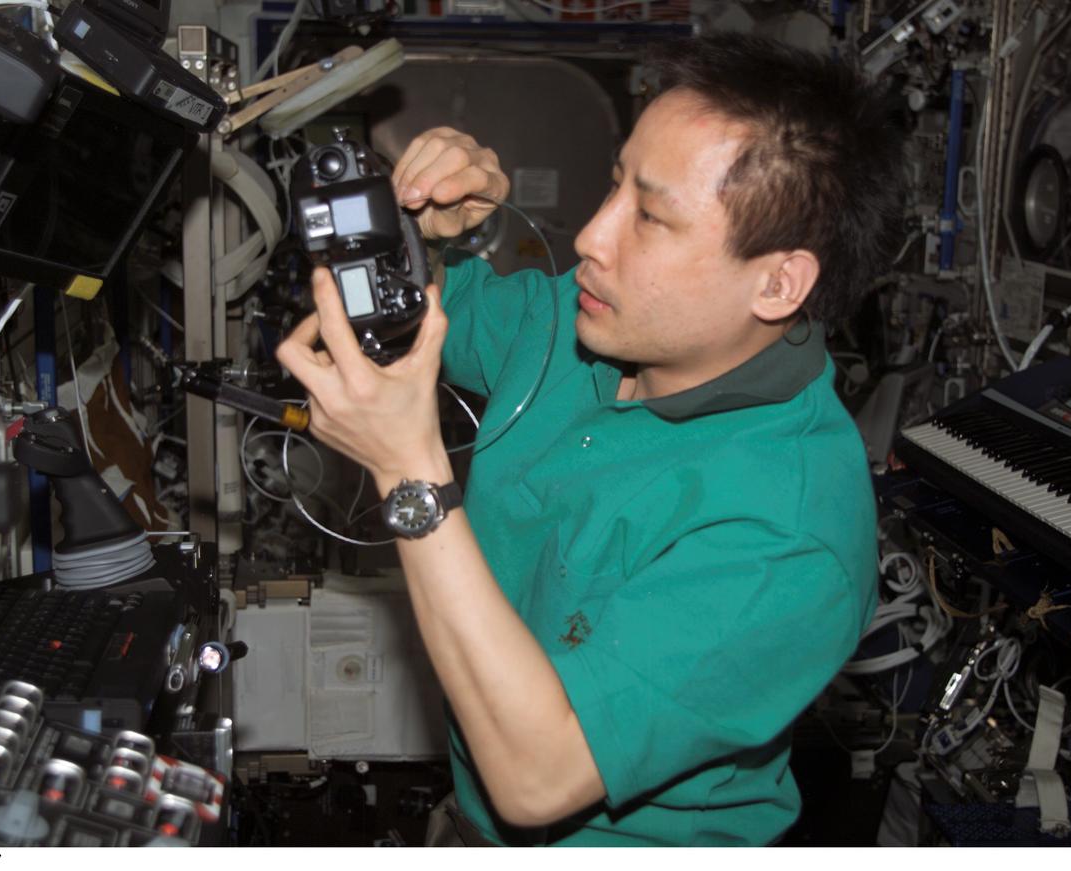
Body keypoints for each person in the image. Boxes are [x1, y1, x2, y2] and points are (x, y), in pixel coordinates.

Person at [277, 32, 905, 846]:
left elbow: (538, 775)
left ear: (779, 282)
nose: (590, 239)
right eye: (614, 186)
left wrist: (411, 475)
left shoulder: (789, 532)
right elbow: (417, 321)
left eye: (650, 216)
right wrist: (419, 237)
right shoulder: (595, 318)